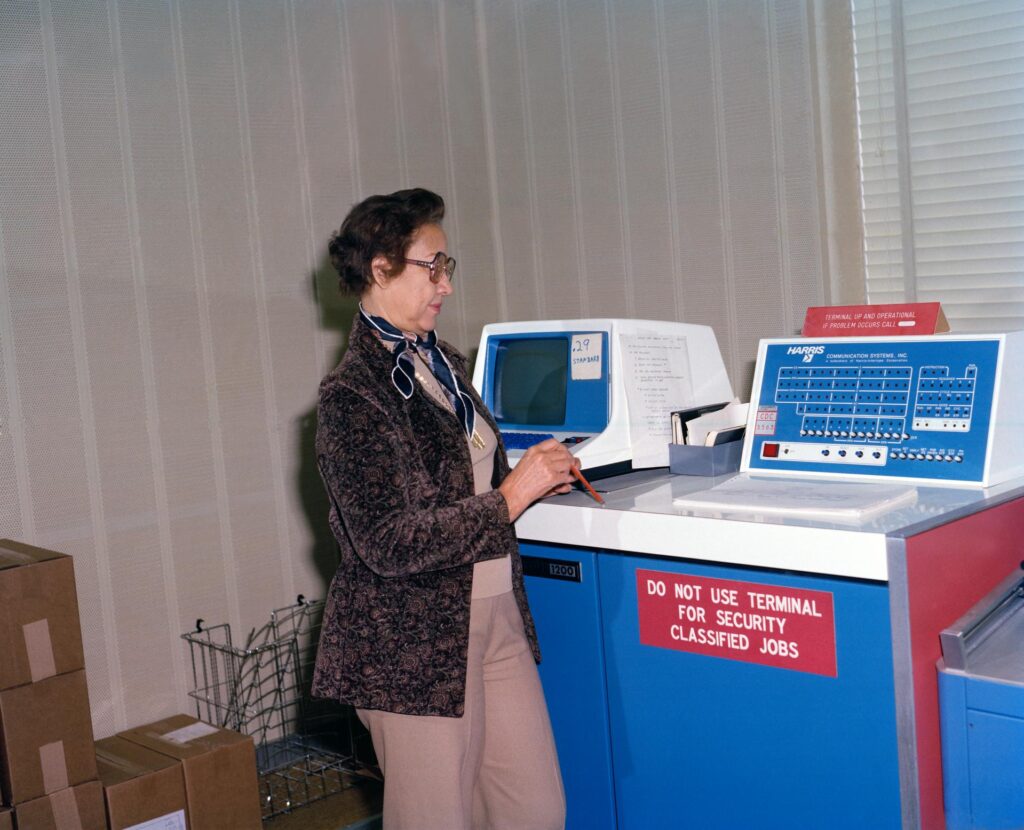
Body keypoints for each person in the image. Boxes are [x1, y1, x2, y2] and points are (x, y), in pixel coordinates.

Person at [312, 187, 574, 830]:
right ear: (380, 269)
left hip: (497, 621)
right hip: (412, 641)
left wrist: (537, 475)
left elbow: (464, 475)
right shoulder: (350, 396)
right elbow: (387, 541)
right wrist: (510, 498)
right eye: (433, 265)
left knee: (536, 811)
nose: (445, 285)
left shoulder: (443, 362)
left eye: (446, 266)